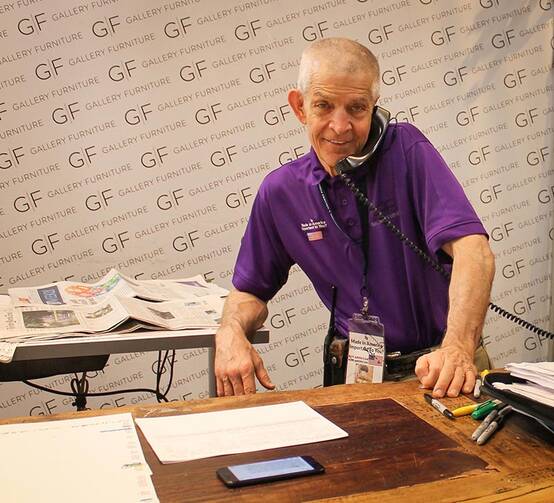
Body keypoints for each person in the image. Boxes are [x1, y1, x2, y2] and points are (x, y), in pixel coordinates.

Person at [214, 37, 495, 399]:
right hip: (356, 375)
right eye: (324, 106)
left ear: (375, 108)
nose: (340, 126)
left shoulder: (408, 150)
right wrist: (231, 331)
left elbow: (476, 252)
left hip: (442, 371)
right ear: (300, 107)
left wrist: (457, 348)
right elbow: (249, 290)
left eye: (357, 109)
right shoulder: (281, 191)